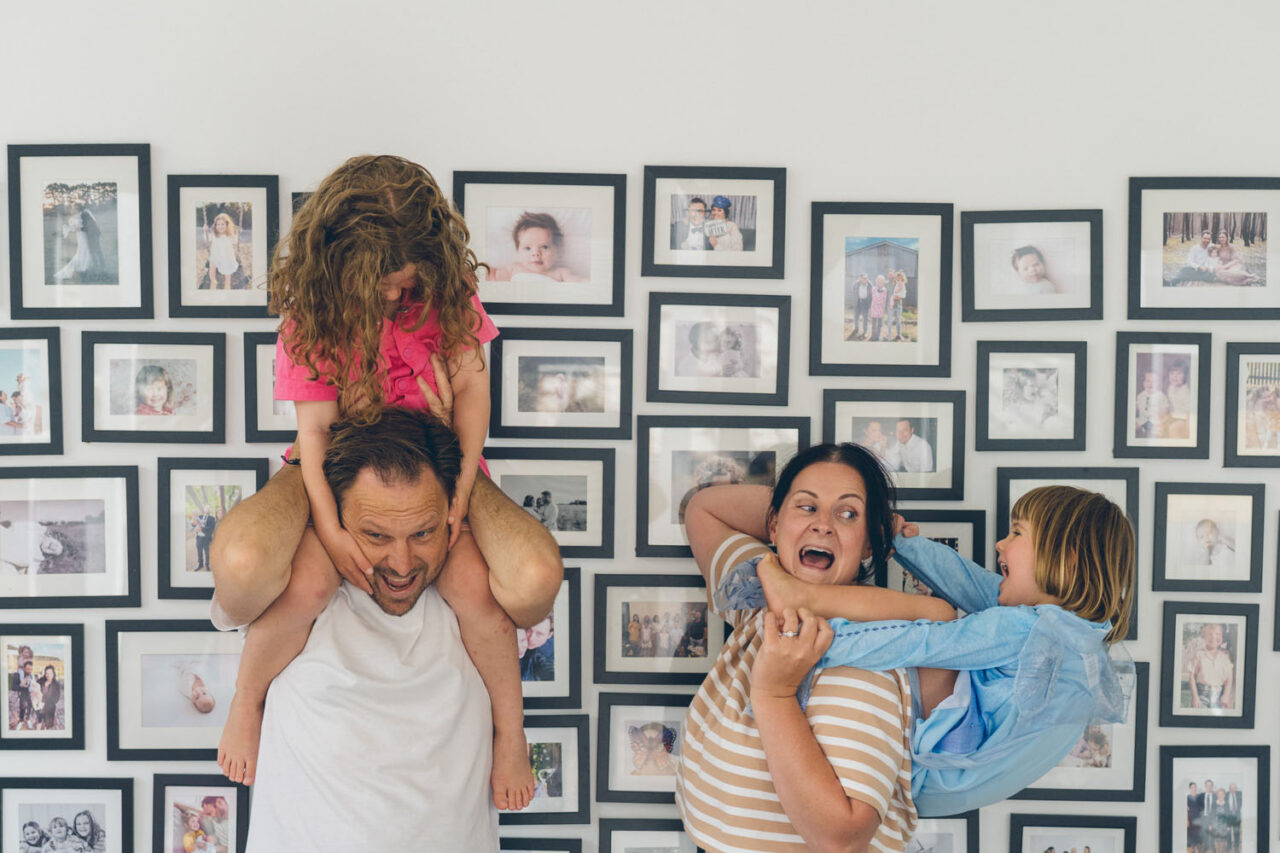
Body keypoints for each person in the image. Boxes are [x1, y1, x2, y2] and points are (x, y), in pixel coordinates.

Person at [212, 155, 533, 809]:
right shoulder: (312, 317)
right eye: (382, 289)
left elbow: (472, 385)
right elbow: (315, 434)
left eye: (405, 287)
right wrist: (330, 531)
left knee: (480, 596)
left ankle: (512, 730)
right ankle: (246, 698)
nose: (394, 300)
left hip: (434, 466)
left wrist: (464, 485)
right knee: (302, 585)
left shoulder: (448, 297)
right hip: (343, 469)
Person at [229, 405, 560, 850]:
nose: (402, 566)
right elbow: (242, 559)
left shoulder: (475, 585)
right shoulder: (299, 579)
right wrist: (308, 459)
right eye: (377, 535)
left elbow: (536, 573)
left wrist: (463, 464)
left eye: (423, 533)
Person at [738, 479, 1136, 817]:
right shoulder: (1077, 635)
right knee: (944, 613)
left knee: (933, 617)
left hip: (928, 768)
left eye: (1016, 533)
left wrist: (821, 643)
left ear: (1064, 561)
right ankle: (803, 601)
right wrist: (902, 544)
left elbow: (921, 642)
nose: (1000, 544)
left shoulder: (1025, 629)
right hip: (947, 787)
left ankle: (801, 600)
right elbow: (972, 583)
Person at [676, 443, 944, 851]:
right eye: (808, 509)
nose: (823, 526)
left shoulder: (868, 656)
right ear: (772, 526)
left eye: (848, 514)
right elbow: (703, 509)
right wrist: (791, 517)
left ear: (870, 542)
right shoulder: (756, 590)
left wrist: (775, 693)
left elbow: (842, 839)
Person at [487, 211, 585, 282]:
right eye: (528, 248)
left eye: (544, 247)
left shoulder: (560, 273)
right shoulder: (514, 268)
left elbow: (581, 283)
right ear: (518, 250)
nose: (536, 253)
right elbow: (490, 275)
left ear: (557, 250)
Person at [1188, 623, 1233, 709]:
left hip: (1219, 695)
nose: (1213, 637)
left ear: (1222, 637)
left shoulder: (1225, 656)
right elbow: (1191, 676)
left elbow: (1229, 678)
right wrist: (1195, 696)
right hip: (1202, 694)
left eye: (1217, 634)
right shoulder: (1199, 655)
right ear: (1204, 637)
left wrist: (1226, 695)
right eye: (1210, 634)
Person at [205, 211, 241, 290]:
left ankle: (227, 287)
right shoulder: (214, 235)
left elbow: (235, 241)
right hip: (215, 256)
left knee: (227, 276)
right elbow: (206, 238)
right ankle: (214, 282)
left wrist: (238, 234)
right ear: (215, 225)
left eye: (222, 224)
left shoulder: (229, 235)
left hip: (226, 258)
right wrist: (205, 231)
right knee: (211, 273)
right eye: (218, 224)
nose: (220, 226)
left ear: (227, 225)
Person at [1133, 371, 1168, 439]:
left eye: (1154, 382)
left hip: (1155, 422)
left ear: (1159, 384)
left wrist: (1161, 416)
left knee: (1158, 431)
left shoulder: (1161, 396)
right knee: (1133, 426)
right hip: (1142, 420)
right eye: (1148, 381)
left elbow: (1165, 410)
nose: (1150, 384)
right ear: (1143, 383)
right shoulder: (1141, 395)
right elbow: (1137, 406)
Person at [1164, 359, 1191, 439]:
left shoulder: (1186, 392)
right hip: (1171, 416)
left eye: (1179, 374)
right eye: (1172, 373)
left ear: (1185, 376)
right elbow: (1168, 404)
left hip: (1183, 419)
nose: (1174, 376)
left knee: (1173, 429)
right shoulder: (1170, 388)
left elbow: (1189, 411)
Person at [36, 664, 61, 730]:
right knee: (39, 722)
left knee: (47, 725)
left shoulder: (56, 685)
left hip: (49, 708)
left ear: (53, 673)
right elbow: (34, 688)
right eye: (46, 673)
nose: (48, 675)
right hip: (40, 707)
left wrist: (45, 703)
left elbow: (56, 698)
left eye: (50, 673)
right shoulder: (40, 681)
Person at [192, 507, 217, 572]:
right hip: (199, 539)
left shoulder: (212, 518)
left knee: (207, 553)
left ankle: (207, 565)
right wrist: (194, 525)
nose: (207, 510)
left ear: (210, 510)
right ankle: (200, 564)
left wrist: (201, 529)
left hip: (207, 539)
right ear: (203, 510)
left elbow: (211, 529)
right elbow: (194, 524)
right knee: (199, 552)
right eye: (206, 508)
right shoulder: (199, 516)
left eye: (208, 509)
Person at [888, 270, 909, 340]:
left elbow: (904, 294)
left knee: (898, 320)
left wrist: (898, 296)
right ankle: (889, 334)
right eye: (898, 277)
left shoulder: (902, 284)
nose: (899, 279)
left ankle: (899, 334)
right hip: (893, 303)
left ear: (902, 278)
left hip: (899, 303)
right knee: (890, 320)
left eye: (900, 277)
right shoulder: (894, 283)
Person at [851, 272, 873, 339]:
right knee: (856, 317)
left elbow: (871, 295)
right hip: (858, 301)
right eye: (863, 278)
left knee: (865, 318)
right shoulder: (856, 284)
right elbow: (853, 291)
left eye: (866, 278)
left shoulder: (870, 285)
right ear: (860, 278)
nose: (864, 279)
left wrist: (870, 305)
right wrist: (855, 300)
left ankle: (865, 331)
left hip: (865, 302)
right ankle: (856, 329)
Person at [868, 274, 889, 341]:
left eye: (881, 280)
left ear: (883, 282)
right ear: (877, 281)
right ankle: (873, 336)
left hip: (881, 309)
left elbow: (885, 300)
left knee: (879, 324)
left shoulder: (885, 290)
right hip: (874, 307)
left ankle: (877, 336)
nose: (880, 282)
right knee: (874, 324)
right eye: (879, 280)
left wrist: (884, 309)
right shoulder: (873, 289)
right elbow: (870, 298)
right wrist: (870, 308)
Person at [1187, 781, 1204, 853]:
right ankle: (1194, 849)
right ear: (1190, 788)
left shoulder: (1199, 797)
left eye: (1195, 787)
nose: (1194, 788)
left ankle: (1197, 849)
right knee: (1191, 834)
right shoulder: (1187, 797)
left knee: (1198, 834)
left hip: (1198, 818)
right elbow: (1185, 809)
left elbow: (1202, 808)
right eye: (1192, 787)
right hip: (1190, 818)